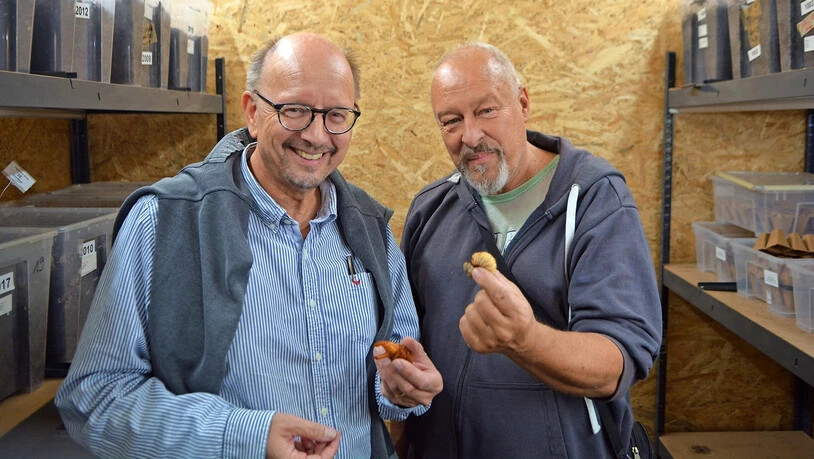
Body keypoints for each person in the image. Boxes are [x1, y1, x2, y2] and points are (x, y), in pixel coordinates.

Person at [55, 33, 442, 459]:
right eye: (294, 110)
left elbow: (394, 369)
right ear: (253, 112)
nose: (316, 135)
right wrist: (245, 436)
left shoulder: (371, 229)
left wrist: (402, 389)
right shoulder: (164, 221)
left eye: (336, 115)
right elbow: (93, 398)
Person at [400, 43, 662, 458]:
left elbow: (619, 361)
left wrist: (526, 341)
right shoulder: (430, 209)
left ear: (522, 103)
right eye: (451, 121)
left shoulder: (595, 201)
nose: (470, 135)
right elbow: (407, 335)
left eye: (486, 111)